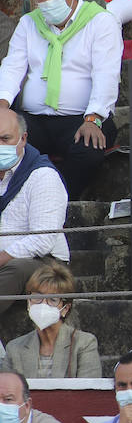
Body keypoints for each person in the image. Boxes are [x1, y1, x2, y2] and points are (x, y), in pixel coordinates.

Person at [0, 0, 120, 200]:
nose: (47, 2)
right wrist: (2, 107)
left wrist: (93, 118)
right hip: (34, 118)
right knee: (7, 143)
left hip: (82, 117)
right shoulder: (29, 23)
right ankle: (15, 201)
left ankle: (55, 201)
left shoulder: (100, 21)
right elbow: (12, 67)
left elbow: (106, 73)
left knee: (89, 152)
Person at [0, 108, 70, 309]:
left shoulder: (42, 176)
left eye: (5, 138)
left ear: (22, 139)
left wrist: (2, 258)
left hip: (43, 262)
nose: (0, 145)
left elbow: (42, 239)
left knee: (16, 269)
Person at [5, 262, 100, 378]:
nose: (43, 304)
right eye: (36, 297)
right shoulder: (14, 348)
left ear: (65, 308)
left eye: (53, 300)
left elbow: (89, 392)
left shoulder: (84, 344)